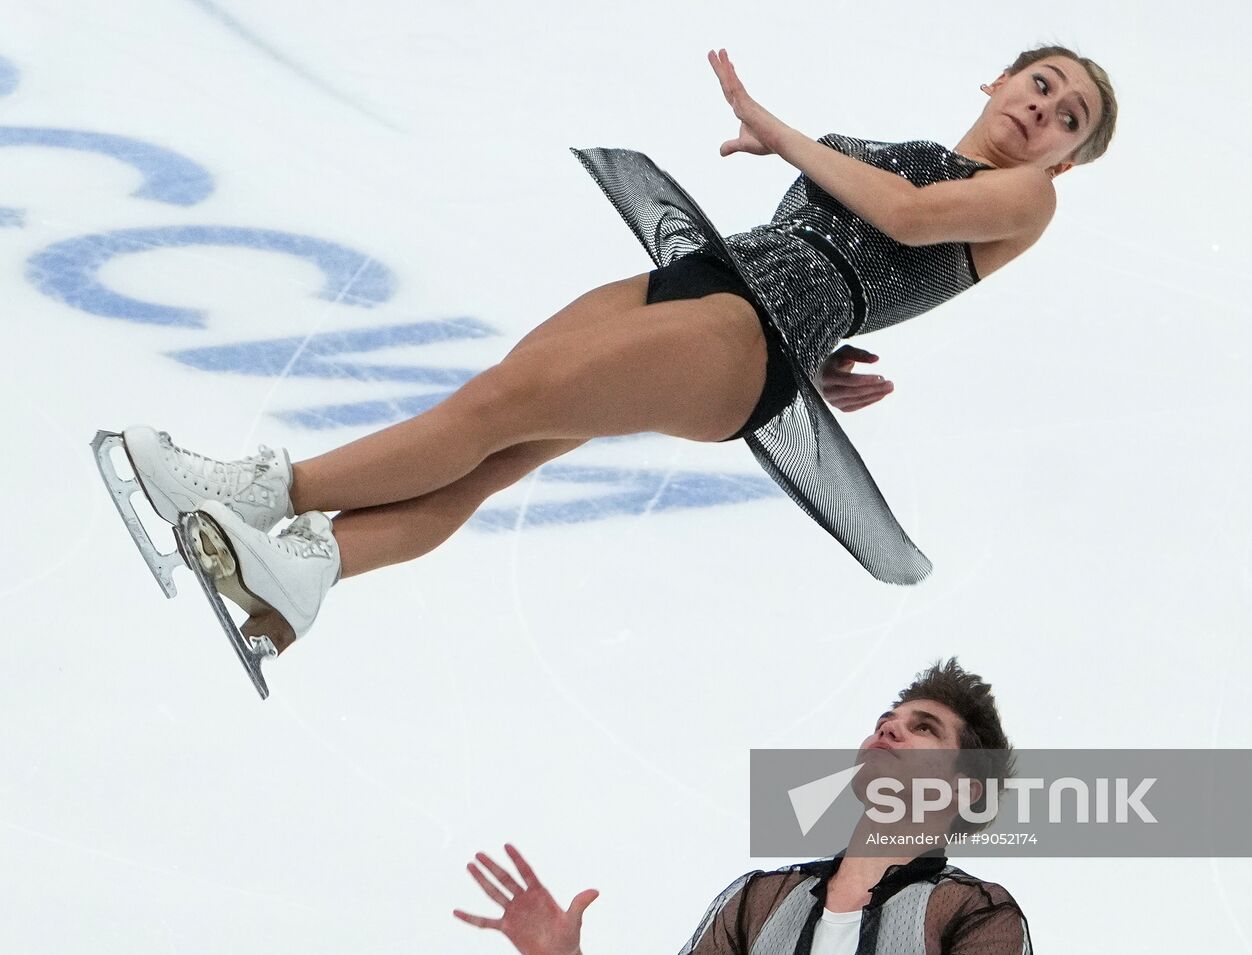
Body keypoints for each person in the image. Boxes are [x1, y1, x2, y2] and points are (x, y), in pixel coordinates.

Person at [103, 45, 1117, 652]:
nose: (1041, 108)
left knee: (494, 415)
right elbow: (868, 243)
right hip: (716, 281)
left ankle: (256, 493)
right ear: (997, 76)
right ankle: (305, 574)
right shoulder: (950, 154)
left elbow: (895, 214)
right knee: (501, 432)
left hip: (744, 337)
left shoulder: (1022, 198)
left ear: (1066, 159)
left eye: (1064, 116)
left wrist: (778, 131)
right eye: (1038, 81)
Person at [454, 658, 1030, 954]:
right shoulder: (759, 899)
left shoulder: (975, 914)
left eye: (921, 729)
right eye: (883, 724)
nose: (888, 734)